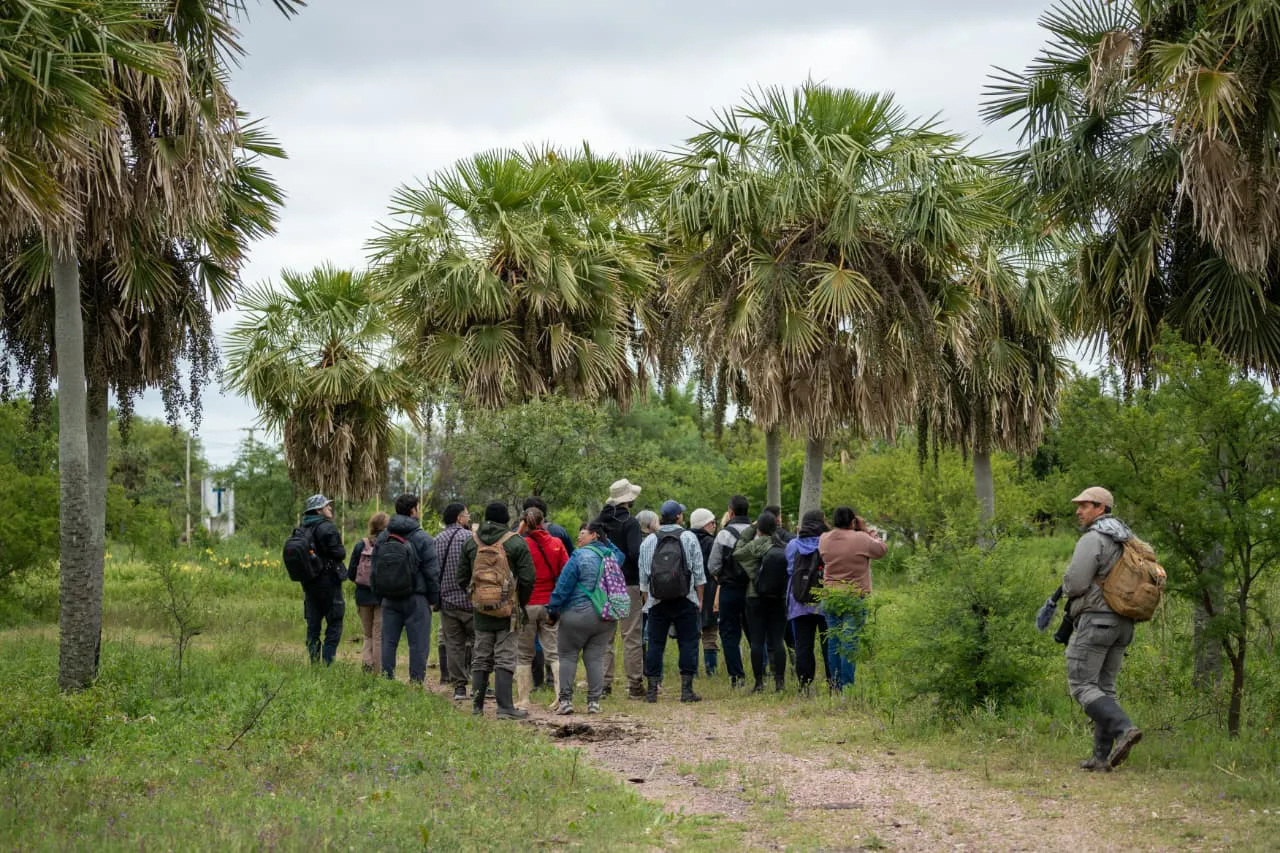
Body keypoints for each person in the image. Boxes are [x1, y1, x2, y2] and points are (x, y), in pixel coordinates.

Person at [1063, 487, 1143, 771]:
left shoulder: (1094, 538)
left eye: (1084, 506)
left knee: (1082, 683)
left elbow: (1075, 584)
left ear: (1100, 508)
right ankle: (1100, 759)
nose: (1078, 511)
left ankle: (1124, 728)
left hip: (1097, 620)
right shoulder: (1129, 540)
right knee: (1104, 688)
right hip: (1124, 623)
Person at [458, 501, 536, 720]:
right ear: (505, 519)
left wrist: (477, 597)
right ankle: (505, 707)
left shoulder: (471, 542)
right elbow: (529, 578)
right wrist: (520, 602)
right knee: (505, 657)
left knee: (481, 656)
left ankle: (477, 707)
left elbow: (461, 577)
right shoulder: (516, 543)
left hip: (481, 612)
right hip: (508, 612)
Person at [546, 520, 622, 714]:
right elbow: (622, 558)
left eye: (583, 533)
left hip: (577, 614)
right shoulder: (612, 556)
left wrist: (553, 610)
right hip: (605, 615)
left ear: (594, 535)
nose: (579, 536)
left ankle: (566, 702)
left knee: (568, 656)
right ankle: (594, 702)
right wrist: (606, 538)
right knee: (595, 657)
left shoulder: (579, 556)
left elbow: (563, 586)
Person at [638, 500, 706, 703]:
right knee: (688, 642)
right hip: (685, 598)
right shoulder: (689, 537)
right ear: (678, 517)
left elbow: (643, 579)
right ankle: (686, 690)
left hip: (657, 601)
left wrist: (648, 601)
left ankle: (652, 691)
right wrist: (699, 600)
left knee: (656, 644)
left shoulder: (648, 541)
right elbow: (699, 574)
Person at [376, 493, 442, 685]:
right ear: (413, 510)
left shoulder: (383, 537)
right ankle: (416, 683)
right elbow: (432, 572)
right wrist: (433, 599)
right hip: (416, 597)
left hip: (389, 596)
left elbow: (375, 569)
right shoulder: (423, 538)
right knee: (418, 643)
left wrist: (380, 594)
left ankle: (387, 679)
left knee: (388, 641)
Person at [819, 506, 886, 690]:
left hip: (831, 596)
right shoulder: (861, 538)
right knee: (849, 643)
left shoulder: (824, 538)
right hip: (854, 597)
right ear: (852, 522)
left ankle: (835, 685)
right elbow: (881, 550)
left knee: (834, 642)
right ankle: (847, 688)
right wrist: (867, 530)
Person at [595, 478, 645, 699]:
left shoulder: (601, 523)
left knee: (605, 636)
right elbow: (635, 553)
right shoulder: (631, 523)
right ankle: (635, 685)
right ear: (629, 500)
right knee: (631, 635)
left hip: (605, 583)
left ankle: (604, 684)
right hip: (628, 583)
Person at [517, 505, 569, 709]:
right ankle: (560, 695)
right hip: (549, 604)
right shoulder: (556, 543)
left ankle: (523, 698)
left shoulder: (521, 544)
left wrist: (519, 531)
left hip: (527, 604)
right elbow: (565, 573)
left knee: (523, 653)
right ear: (543, 521)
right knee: (554, 651)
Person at [735, 511, 789, 692]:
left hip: (755, 596)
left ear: (759, 527)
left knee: (757, 641)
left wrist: (751, 529)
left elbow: (737, 553)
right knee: (778, 640)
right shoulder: (783, 546)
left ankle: (759, 683)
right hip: (779, 597)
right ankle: (780, 683)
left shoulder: (754, 546)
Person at [708, 495, 753, 687]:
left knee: (729, 633)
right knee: (756, 633)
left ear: (731, 512)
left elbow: (713, 565)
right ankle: (762, 674)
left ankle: (737, 677)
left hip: (730, 588)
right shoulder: (757, 532)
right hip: (754, 590)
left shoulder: (724, 534)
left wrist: (722, 577)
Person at [787, 509, 831, 695]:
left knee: (803, 646)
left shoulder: (793, 545)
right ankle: (834, 683)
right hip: (825, 602)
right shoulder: (827, 543)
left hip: (799, 602)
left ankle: (804, 685)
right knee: (828, 644)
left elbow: (790, 569)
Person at [299, 494, 346, 665]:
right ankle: (327, 664)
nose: (330, 509)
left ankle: (314, 663)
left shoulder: (301, 528)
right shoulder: (327, 528)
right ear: (319, 510)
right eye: (327, 506)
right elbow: (340, 553)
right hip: (329, 584)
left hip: (309, 584)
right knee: (334, 624)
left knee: (313, 627)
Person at [435, 502, 475, 701]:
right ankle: (479, 684)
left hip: (447, 601)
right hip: (470, 602)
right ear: (460, 518)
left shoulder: (437, 539)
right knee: (479, 642)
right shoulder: (469, 538)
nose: (469, 518)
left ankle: (459, 687)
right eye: (467, 515)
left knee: (454, 645)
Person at [347, 511, 388, 673]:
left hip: (363, 597)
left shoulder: (361, 545)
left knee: (367, 635)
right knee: (378, 635)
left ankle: (366, 666)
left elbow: (351, 573)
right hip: (381, 596)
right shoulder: (387, 544)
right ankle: (378, 672)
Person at [689, 507, 719, 675]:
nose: (715, 526)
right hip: (709, 591)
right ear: (706, 524)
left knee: (691, 635)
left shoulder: (686, 539)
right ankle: (711, 671)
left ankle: (691, 671)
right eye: (713, 522)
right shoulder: (711, 542)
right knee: (710, 634)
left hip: (688, 591)